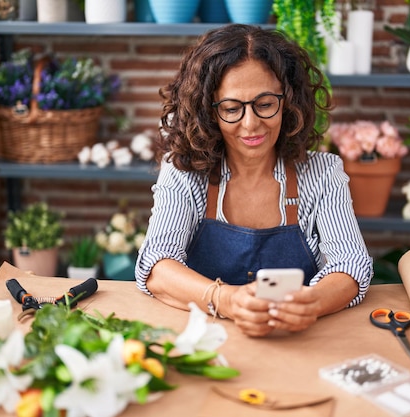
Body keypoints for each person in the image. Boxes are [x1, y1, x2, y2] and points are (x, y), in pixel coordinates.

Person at [135, 24, 373, 337]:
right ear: (209, 111)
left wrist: (312, 302)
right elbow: (156, 266)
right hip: (203, 341)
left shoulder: (323, 174)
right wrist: (227, 299)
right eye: (232, 108)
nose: (251, 124)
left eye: (264, 104)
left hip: (295, 344)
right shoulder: (183, 173)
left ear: (288, 101)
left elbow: (352, 264)